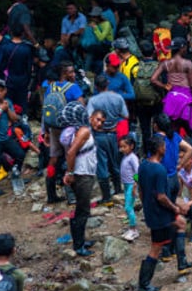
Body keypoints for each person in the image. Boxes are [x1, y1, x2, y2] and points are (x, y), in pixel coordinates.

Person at [137, 134, 191, 291]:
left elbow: (139, 185)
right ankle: (144, 283)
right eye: (164, 146)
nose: (166, 148)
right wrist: (174, 208)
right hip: (160, 212)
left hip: (152, 210)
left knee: (181, 223)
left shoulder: (143, 165)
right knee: (155, 247)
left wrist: (145, 202)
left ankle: (182, 263)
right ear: (159, 149)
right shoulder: (159, 169)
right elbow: (161, 196)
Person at [41, 61, 85, 205]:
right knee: (69, 158)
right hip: (68, 128)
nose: (73, 74)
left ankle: (51, 192)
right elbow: (81, 108)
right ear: (65, 73)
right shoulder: (73, 88)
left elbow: (46, 110)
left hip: (53, 127)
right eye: (71, 72)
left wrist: (45, 130)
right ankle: (71, 194)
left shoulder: (50, 87)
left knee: (53, 159)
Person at [61, 103, 98, 257]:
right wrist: (69, 173)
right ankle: (79, 245)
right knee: (83, 210)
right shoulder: (83, 131)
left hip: (81, 172)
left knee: (80, 209)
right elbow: (71, 153)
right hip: (82, 173)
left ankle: (80, 240)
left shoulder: (75, 130)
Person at [87, 75, 127, 205]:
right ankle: (118, 190)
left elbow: (89, 118)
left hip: (99, 136)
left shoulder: (93, 100)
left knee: (102, 165)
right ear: (107, 84)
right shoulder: (118, 97)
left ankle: (106, 196)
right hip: (114, 135)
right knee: (115, 162)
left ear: (96, 87)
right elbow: (125, 115)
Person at [152, 38, 192, 136]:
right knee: (189, 130)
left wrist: (164, 86)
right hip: (185, 98)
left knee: (171, 129)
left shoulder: (166, 63)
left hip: (171, 97)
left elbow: (153, 79)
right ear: (182, 48)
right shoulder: (187, 63)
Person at [119, 136, 140, 242]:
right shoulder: (125, 156)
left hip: (132, 185)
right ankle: (131, 228)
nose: (122, 149)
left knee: (128, 207)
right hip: (127, 185)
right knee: (128, 206)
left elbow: (137, 171)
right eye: (121, 147)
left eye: (124, 146)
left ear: (131, 146)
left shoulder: (132, 157)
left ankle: (133, 229)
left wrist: (136, 184)